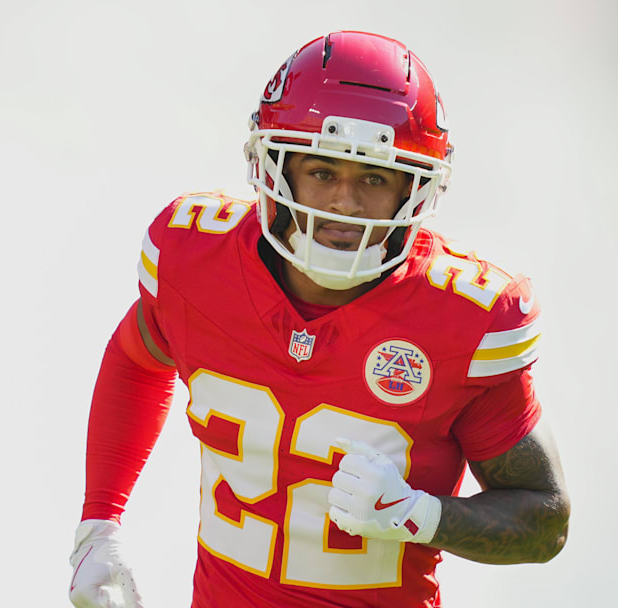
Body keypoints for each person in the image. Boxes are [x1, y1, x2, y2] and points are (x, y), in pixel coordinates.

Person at [68, 30, 570, 608]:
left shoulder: (463, 318)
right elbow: (137, 358)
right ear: (274, 169)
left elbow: (544, 520)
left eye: (375, 179)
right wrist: (100, 524)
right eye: (323, 171)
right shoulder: (196, 263)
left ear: (416, 188)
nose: (345, 204)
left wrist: (420, 516)